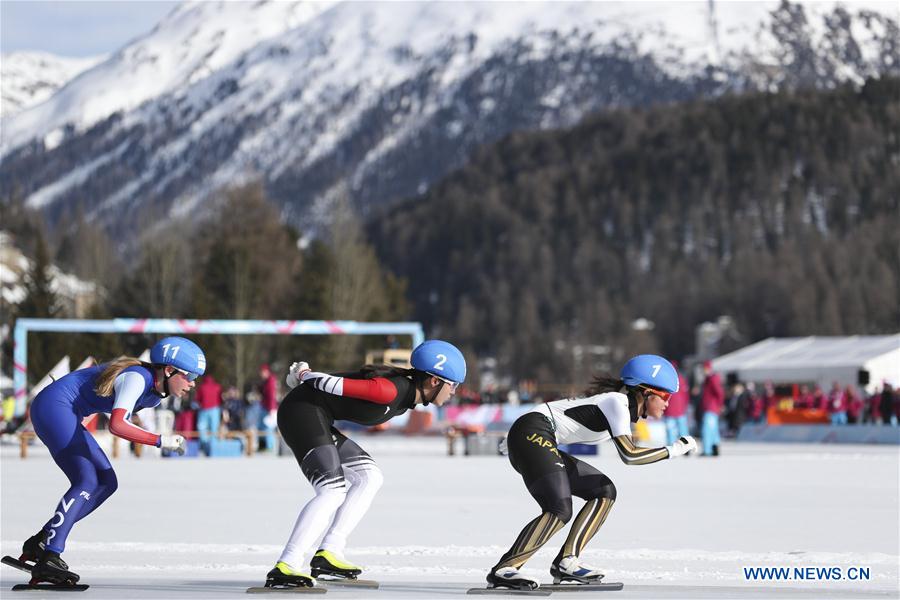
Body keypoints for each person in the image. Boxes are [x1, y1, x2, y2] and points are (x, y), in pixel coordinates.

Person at [263, 340, 467, 589]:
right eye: (452, 385)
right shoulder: (390, 390)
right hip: (300, 412)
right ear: (434, 381)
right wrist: (304, 373)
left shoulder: (406, 397)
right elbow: (329, 382)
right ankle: (287, 565)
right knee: (332, 490)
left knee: (370, 476)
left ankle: (329, 553)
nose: (454, 392)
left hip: (317, 415)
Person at [484, 355, 698, 591]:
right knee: (559, 509)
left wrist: (519, 437)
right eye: (666, 396)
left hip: (533, 434)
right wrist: (674, 449)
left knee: (604, 490)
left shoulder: (621, 407)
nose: (668, 403)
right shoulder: (617, 403)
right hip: (532, 433)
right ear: (645, 391)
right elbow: (630, 455)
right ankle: (506, 568)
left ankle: (567, 562)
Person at [18, 337, 204, 585]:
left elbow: (122, 417)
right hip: (54, 407)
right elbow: (117, 425)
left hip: (67, 412)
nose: (192, 384)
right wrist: (160, 440)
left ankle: (42, 540)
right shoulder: (137, 378)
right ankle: (50, 555)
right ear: (169, 370)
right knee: (86, 480)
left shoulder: (155, 395)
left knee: (107, 481)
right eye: (190, 376)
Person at [700, 361, 724, 456]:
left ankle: (707, 450)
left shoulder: (712, 379)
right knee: (713, 430)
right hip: (710, 407)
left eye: (705, 369)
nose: (703, 371)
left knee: (707, 429)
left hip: (711, 408)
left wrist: (719, 405)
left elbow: (720, 393)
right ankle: (715, 448)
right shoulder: (708, 379)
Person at [195, 374, 223, 454]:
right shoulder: (217, 386)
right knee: (214, 428)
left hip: (204, 409)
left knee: (202, 428)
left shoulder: (201, 387)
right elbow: (220, 398)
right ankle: (214, 448)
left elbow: (197, 399)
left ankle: (204, 446)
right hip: (215, 410)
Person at [258, 364, 278, 452]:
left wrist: (271, 408)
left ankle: (269, 446)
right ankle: (263, 445)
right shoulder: (265, 381)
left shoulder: (270, 381)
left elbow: (271, 396)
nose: (261, 374)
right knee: (262, 427)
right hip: (265, 407)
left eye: (262, 372)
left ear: (266, 372)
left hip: (269, 408)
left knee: (267, 427)